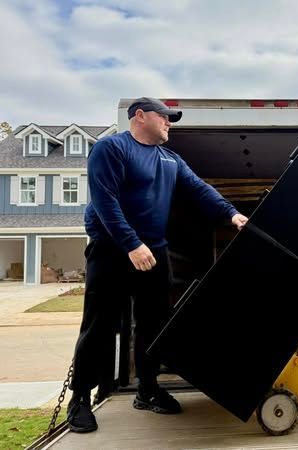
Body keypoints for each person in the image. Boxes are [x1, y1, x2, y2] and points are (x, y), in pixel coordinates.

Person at [67, 97, 248, 433]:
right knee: (100, 325)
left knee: (153, 324)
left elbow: (198, 189)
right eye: (165, 117)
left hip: (154, 252)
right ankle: (79, 398)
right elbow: (104, 201)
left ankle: (147, 389)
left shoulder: (169, 159)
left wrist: (231, 214)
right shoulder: (111, 149)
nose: (169, 123)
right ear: (140, 116)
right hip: (111, 249)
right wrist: (131, 244)